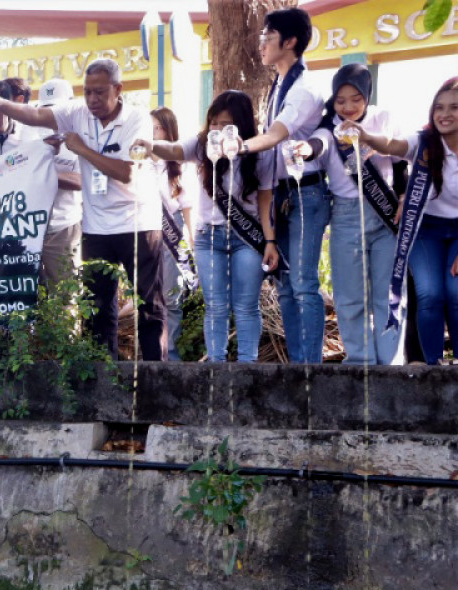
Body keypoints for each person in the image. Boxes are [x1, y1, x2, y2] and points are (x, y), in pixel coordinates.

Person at [0, 58, 166, 360]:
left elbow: (127, 172)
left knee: (148, 305)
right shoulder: (76, 113)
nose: (92, 100)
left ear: (118, 89)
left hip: (138, 223)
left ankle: (158, 377)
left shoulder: (137, 120)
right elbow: (33, 115)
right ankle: (103, 380)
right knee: (97, 307)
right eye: (88, 92)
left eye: (100, 92)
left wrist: (81, 148)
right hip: (96, 227)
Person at [143, 91, 277, 363]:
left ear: (241, 124)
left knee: (246, 306)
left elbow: (265, 201)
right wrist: (148, 144)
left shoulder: (259, 153)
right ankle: (216, 365)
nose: (217, 129)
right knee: (215, 306)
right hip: (208, 238)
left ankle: (246, 366)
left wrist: (270, 241)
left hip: (246, 238)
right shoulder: (202, 144)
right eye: (213, 122)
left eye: (225, 124)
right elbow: (174, 149)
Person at [238, 7, 330, 363]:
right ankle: (297, 368)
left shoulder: (303, 89)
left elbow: (276, 135)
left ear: (289, 41)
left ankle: (312, 371)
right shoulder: (279, 84)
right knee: (287, 287)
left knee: (304, 285)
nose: (261, 43)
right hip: (282, 194)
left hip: (306, 193)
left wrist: (238, 146)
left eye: (268, 36)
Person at [295, 63, 403, 365]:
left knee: (388, 294)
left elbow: (399, 161)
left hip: (386, 215)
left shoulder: (384, 118)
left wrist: (404, 197)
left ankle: (391, 363)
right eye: (341, 101)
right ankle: (361, 360)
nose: (348, 107)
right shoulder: (329, 127)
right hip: (345, 216)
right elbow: (320, 144)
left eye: (356, 99)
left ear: (367, 96)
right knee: (349, 296)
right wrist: (306, 148)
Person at [354, 77, 458, 365]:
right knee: (430, 294)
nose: (445, 114)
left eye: (454, 108)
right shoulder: (424, 143)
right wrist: (366, 137)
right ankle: (431, 366)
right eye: (439, 107)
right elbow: (392, 146)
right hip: (426, 229)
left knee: (455, 292)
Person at [151, 106, 196, 360]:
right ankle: (152, 350)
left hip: (172, 229)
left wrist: (190, 238)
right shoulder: (141, 161)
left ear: (167, 131)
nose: (151, 133)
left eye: (155, 128)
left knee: (171, 294)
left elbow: (187, 205)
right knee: (149, 296)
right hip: (146, 228)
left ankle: (171, 352)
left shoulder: (179, 163)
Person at [36, 78, 84, 291]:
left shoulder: (81, 139)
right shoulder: (31, 139)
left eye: (57, 109)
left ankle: (69, 327)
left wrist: (47, 174)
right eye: (46, 109)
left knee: (66, 295)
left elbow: (84, 181)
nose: (52, 115)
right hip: (32, 228)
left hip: (65, 226)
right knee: (35, 296)